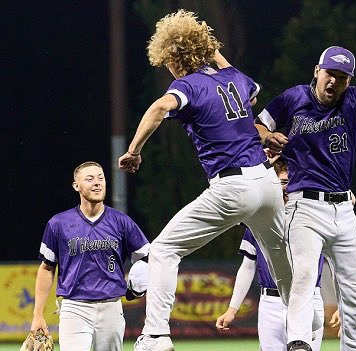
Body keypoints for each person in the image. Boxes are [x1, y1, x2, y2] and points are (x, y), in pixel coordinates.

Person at [119, 10, 295, 351]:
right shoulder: (235, 78)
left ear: (172, 57)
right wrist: (204, 42)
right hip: (268, 183)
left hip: (232, 187)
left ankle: (155, 335)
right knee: (281, 264)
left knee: (166, 249)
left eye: (168, 59)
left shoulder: (187, 85)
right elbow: (239, 83)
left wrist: (134, 150)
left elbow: (158, 109)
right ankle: (304, 327)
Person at [253, 2, 356, 350]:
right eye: (330, 74)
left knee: (355, 293)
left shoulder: (354, 101)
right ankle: (297, 341)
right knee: (305, 275)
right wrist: (267, 137)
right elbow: (256, 126)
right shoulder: (293, 98)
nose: (334, 82)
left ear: (349, 81)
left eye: (342, 77)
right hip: (304, 204)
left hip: (343, 209)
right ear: (317, 71)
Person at [215, 160, 338, 351]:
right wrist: (232, 309)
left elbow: (336, 263)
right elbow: (247, 267)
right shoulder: (260, 220)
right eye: (282, 182)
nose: (287, 187)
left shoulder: (316, 218)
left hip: (307, 298)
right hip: (270, 303)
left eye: (291, 181)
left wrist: (342, 304)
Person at [31, 162, 150, 350]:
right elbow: (47, 267)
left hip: (111, 306)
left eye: (101, 178)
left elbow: (146, 258)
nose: (97, 183)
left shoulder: (121, 222)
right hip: (74, 308)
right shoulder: (58, 223)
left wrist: (139, 284)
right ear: (76, 186)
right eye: (90, 179)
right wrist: (37, 315)